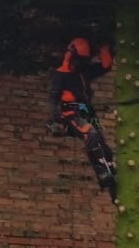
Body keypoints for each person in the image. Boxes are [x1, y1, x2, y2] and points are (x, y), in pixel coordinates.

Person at [48, 37, 116, 196]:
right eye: (78, 60)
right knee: (90, 134)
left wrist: (104, 48)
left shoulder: (84, 71)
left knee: (105, 149)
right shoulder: (60, 75)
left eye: (83, 61)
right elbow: (52, 98)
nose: (79, 64)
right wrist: (55, 120)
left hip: (86, 111)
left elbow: (106, 66)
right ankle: (102, 173)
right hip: (70, 113)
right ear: (70, 55)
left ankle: (112, 182)